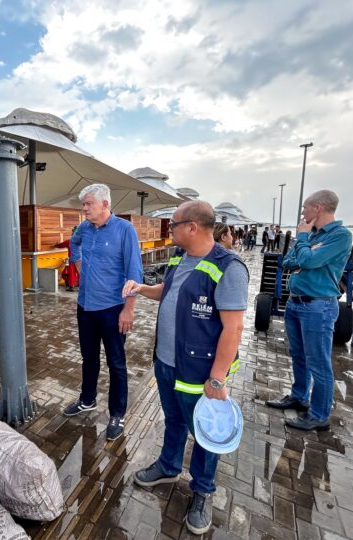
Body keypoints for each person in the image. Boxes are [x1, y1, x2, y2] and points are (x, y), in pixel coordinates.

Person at [122, 201, 249, 534]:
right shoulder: (179, 258)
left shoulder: (229, 267)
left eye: (173, 224)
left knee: (206, 432)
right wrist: (141, 288)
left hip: (200, 370)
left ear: (192, 227)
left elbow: (234, 329)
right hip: (166, 361)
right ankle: (168, 465)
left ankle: (203, 491)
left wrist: (218, 379)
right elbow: (168, 291)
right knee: (174, 418)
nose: (170, 229)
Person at [62, 184, 143, 441]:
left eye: (88, 204)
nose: (84, 208)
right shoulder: (84, 228)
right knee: (89, 358)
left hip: (112, 309)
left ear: (105, 204)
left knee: (116, 363)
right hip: (85, 306)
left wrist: (128, 310)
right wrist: (79, 265)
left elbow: (134, 272)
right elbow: (73, 244)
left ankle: (117, 413)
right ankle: (87, 400)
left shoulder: (124, 230)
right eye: (83, 204)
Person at [266, 189, 352, 431]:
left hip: (318, 306)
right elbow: (290, 261)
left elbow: (307, 262)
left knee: (319, 362)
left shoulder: (340, 236)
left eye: (305, 207)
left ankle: (319, 414)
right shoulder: (313, 235)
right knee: (298, 355)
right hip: (296, 302)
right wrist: (306, 253)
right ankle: (300, 395)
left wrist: (304, 244)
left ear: (319, 208)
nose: (303, 212)